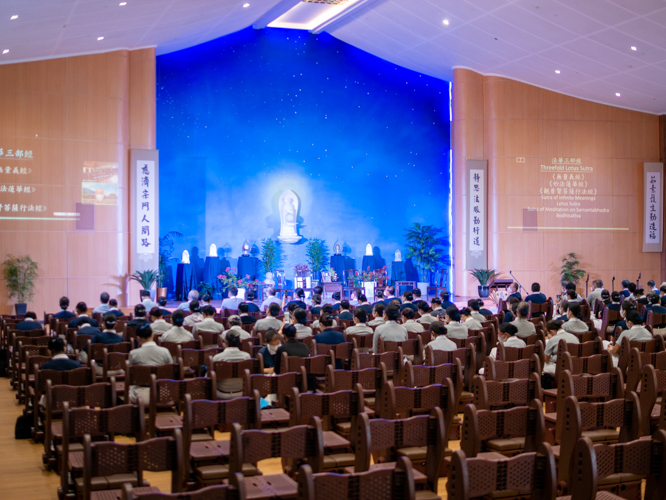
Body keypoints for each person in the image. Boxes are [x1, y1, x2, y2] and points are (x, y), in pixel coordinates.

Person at [128, 324, 173, 403]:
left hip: (141, 398)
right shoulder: (165, 351)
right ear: (153, 334)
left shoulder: (133, 354)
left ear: (138, 338)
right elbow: (171, 371)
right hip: (163, 396)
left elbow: (131, 376)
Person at [211, 330, 251, 399]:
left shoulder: (217, 358)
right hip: (241, 392)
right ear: (240, 341)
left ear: (225, 341)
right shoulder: (246, 356)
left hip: (221, 393)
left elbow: (210, 378)